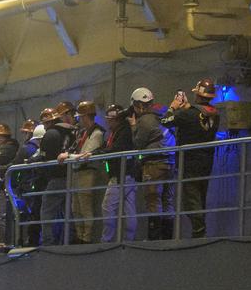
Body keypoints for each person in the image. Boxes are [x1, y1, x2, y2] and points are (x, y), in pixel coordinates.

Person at [161, 79, 220, 238]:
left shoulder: (188, 114)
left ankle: (199, 232)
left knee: (190, 200)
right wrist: (187, 107)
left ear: (198, 94)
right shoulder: (215, 113)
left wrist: (173, 107)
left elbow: (165, 121)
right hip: (206, 161)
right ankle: (199, 230)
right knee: (200, 197)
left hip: (189, 162)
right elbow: (197, 117)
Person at [62, 100, 106, 243]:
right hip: (78, 172)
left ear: (85, 117)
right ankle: (80, 236)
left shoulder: (96, 133)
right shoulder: (84, 132)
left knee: (85, 207)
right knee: (76, 208)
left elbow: (86, 155)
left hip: (87, 172)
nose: (78, 120)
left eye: (80, 117)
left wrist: (68, 156)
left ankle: (86, 238)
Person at [128, 87, 170, 237]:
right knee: (167, 200)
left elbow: (138, 143)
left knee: (153, 199)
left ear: (139, 105)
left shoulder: (145, 120)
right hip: (169, 162)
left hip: (153, 164)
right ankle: (167, 236)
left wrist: (133, 126)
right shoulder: (163, 114)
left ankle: (154, 236)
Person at [28, 110, 73, 246]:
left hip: (57, 176)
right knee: (67, 211)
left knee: (46, 208)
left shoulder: (51, 134)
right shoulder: (69, 131)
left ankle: (48, 241)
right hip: (72, 175)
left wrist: (30, 162)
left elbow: (44, 156)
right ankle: (68, 239)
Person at [98, 102, 134, 241]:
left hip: (120, 176)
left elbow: (115, 148)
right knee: (129, 209)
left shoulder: (122, 131)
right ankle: (129, 239)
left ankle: (106, 240)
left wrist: (98, 153)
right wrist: (95, 152)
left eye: (109, 119)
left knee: (107, 207)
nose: (107, 122)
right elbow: (107, 146)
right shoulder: (117, 132)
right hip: (128, 175)